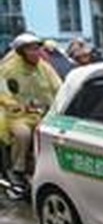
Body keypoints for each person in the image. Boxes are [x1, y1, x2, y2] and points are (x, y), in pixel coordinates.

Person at [0, 33, 62, 181]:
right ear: (21, 52)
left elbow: (58, 86)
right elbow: (2, 92)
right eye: (30, 49)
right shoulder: (8, 69)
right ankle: (17, 169)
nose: (36, 53)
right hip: (17, 116)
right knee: (23, 134)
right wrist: (14, 105)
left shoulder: (45, 68)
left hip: (44, 114)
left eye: (37, 48)